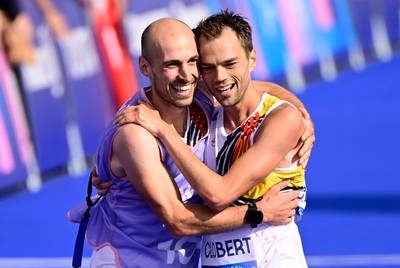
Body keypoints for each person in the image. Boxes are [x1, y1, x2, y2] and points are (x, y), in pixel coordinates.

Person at [69, 17, 310, 268]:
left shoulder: (200, 98)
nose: (186, 75)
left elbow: (247, 86)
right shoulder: (136, 134)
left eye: (193, 62)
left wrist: (301, 117)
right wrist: (260, 212)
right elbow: (178, 221)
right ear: (145, 67)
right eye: (172, 65)